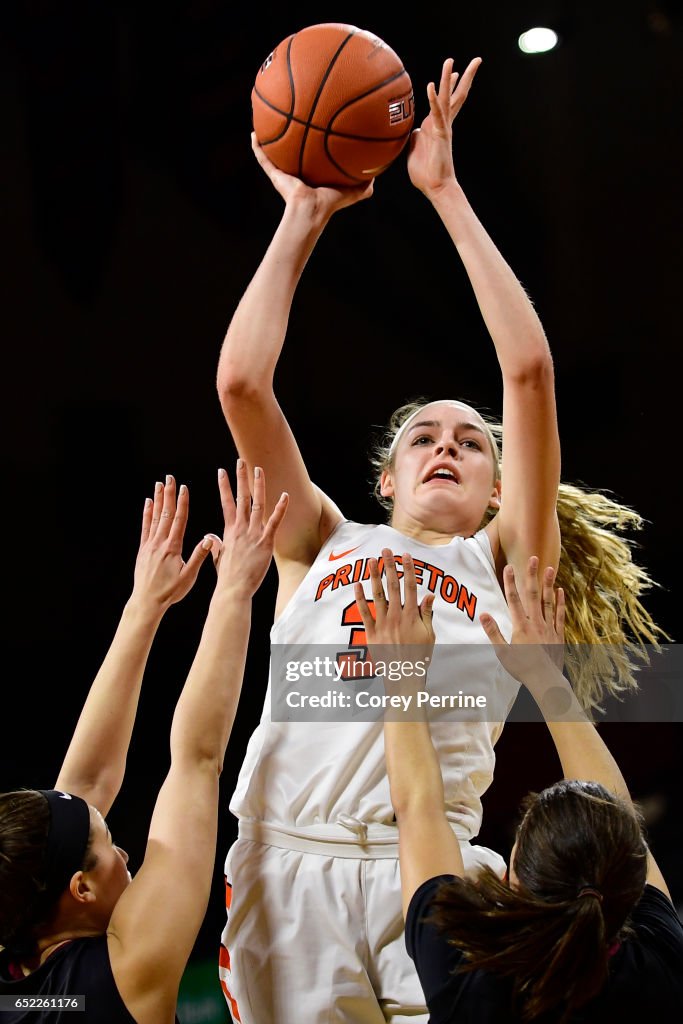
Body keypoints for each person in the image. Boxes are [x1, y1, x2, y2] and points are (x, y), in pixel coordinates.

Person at [215, 56, 666, 1023]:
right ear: (384, 478)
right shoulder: (319, 541)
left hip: (436, 866)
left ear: (502, 487)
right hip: (288, 864)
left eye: (471, 441)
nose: (448, 448)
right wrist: (302, 217)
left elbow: (531, 370)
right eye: (425, 435)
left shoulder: (502, 562)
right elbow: (242, 387)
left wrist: (446, 193)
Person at [0, 464, 288, 1023]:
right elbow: (196, 761)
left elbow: (81, 790)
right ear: (80, 889)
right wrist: (234, 592)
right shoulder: (123, 976)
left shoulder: (21, 979)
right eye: (109, 847)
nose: (126, 853)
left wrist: (145, 606)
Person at [356, 550, 683, 1021]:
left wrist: (404, 669)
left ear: (513, 882)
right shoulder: (657, 969)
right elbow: (419, 810)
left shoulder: (474, 979)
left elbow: (419, 807)